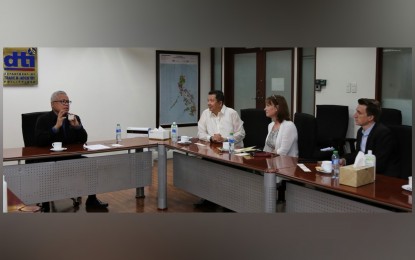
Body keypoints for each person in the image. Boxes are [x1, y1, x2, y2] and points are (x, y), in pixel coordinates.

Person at [35, 90, 109, 211]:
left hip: (71, 158)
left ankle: (91, 200)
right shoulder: (43, 119)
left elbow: (83, 139)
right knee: (45, 168)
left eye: (68, 101)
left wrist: (77, 127)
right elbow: (39, 141)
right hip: (50, 160)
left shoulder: (74, 117)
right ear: (52, 104)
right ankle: (45, 205)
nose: (66, 104)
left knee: (91, 164)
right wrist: (56, 127)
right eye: (62, 101)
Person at [342, 98, 400, 177]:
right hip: (366, 172)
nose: (355, 115)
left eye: (359, 113)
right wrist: (344, 160)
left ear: (370, 117)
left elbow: (379, 163)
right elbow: (359, 155)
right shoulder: (360, 131)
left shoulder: (383, 133)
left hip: (383, 176)